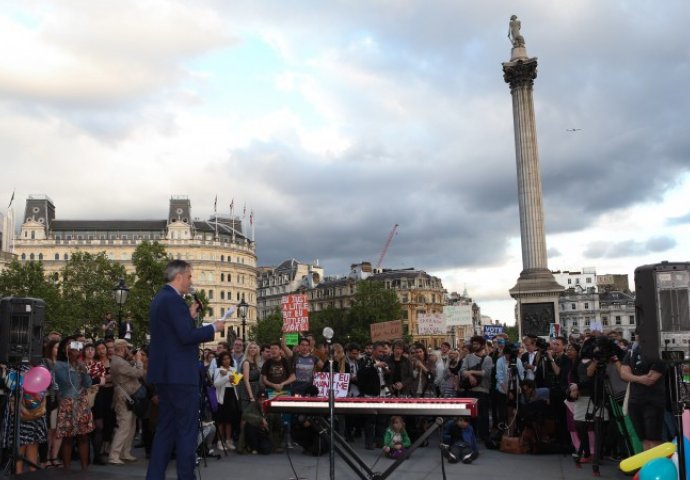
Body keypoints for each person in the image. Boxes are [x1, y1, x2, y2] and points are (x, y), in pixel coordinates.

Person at [146, 260, 225, 480]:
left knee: (165, 430)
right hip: (181, 376)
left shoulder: (160, 299)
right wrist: (212, 328)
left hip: (165, 376)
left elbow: (173, 333)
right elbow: (186, 337)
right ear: (179, 276)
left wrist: (188, 317)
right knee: (186, 431)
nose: (191, 281)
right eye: (190, 277)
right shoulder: (174, 301)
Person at [54, 337, 94, 470]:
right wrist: (70, 360)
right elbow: (64, 382)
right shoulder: (59, 365)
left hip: (81, 402)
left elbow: (88, 384)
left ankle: (84, 468)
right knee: (67, 437)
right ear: (65, 348)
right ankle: (66, 469)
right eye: (70, 346)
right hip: (67, 402)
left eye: (76, 346)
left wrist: (83, 369)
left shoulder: (80, 364)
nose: (74, 349)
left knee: (83, 436)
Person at [619, 342, 667, 451]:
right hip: (635, 401)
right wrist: (640, 378)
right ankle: (648, 465)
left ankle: (656, 465)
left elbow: (651, 378)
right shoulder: (632, 352)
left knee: (653, 438)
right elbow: (623, 374)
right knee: (643, 438)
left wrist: (632, 376)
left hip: (653, 401)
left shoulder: (659, 352)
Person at [109, 338, 145, 464]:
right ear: (123, 348)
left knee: (131, 425)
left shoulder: (118, 360)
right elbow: (139, 373)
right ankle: (114, 455)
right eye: (127, 348)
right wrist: (139, 361)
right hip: (124, 397)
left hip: (128, 396)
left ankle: (125, 452)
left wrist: (131, 359)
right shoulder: (119, 363)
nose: (129, 350)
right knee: (124, 425)